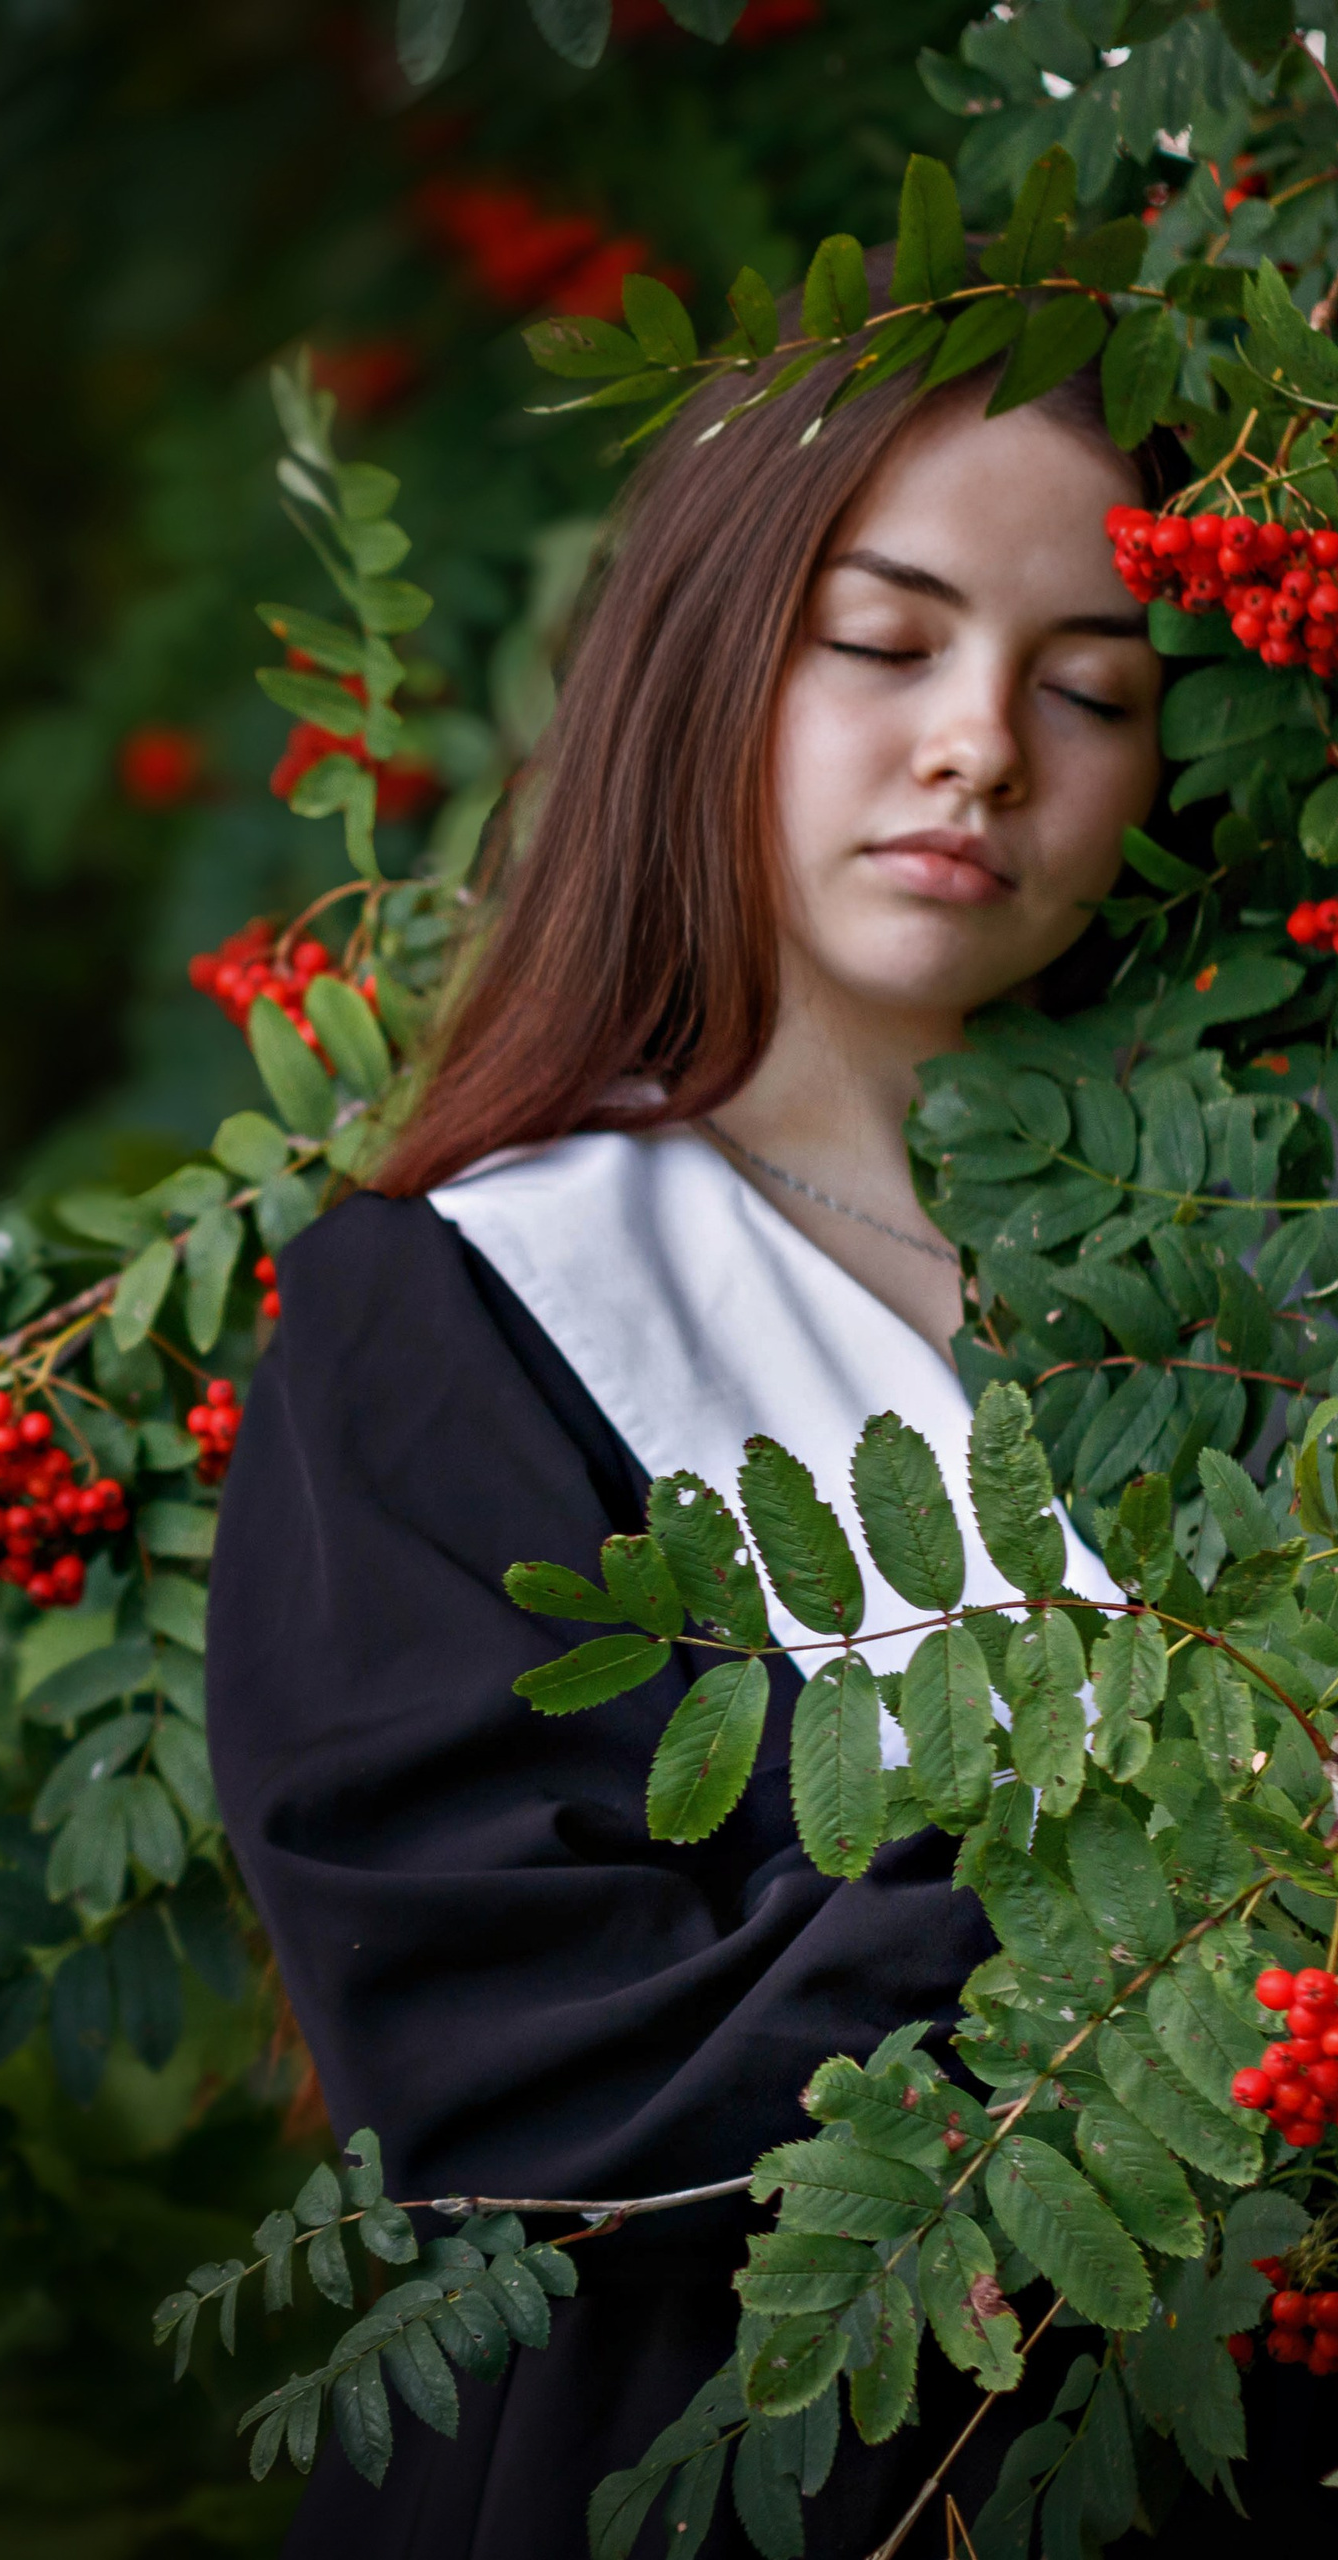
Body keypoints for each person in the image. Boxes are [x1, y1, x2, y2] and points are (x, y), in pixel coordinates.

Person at [206, 345, 1327, 2552]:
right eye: (881, 642)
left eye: (1089, 688)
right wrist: (1199, 1910)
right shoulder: (453, 1312)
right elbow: (521, 2066)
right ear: (702, 659)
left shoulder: (1253, 1272)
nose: (977, 745)